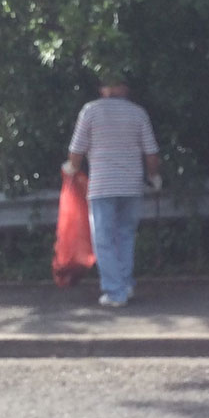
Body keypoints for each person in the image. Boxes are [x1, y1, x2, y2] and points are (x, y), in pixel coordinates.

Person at [64, 77, 162, 307]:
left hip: (103, 186)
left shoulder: (90, 111)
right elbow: (151, 153)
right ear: (125, 88)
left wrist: (72, 169)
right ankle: (125, 285)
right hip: (131, 185)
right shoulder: (138, 113)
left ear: (102, 89)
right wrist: (154, 176)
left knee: (104, 239)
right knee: (125, 235)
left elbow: (76, 151)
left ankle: (115, 291)